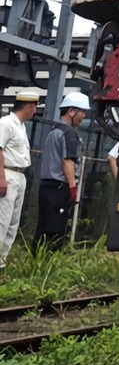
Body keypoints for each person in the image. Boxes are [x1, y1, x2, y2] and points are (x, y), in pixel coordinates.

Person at [34, 90, 88, 247]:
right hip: (59, 187)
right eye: (82, 111)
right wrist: (72, 188)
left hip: (46, 185)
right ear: (71, 111)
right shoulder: (68, 133)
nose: (84, 116)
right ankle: (48, 263)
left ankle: (36, 259)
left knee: (43, 226)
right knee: (56, 229)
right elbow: (67, 162)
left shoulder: (54, 131)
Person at [0, 86, 38, 269]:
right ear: (27, 106)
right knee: (2, 219)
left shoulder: (20, 126)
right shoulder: (6, 123)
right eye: (34, 106)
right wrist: (1, 178)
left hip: (20, 174)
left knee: (13, 222)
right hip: (8, 172)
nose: (35, 110)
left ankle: (2, 261)